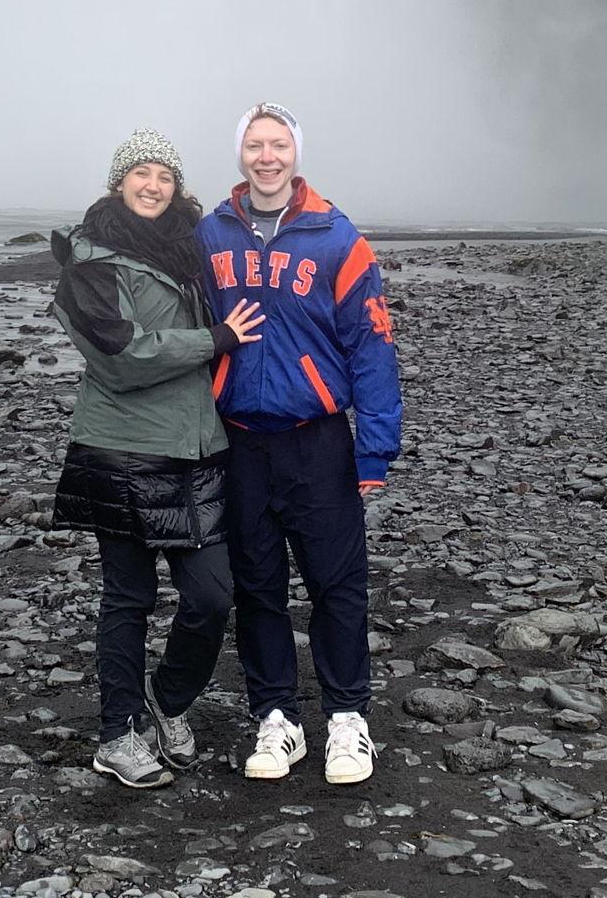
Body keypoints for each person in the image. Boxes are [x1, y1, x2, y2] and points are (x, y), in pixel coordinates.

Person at [50, 129, 265, 788]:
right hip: (123, 450)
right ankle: (117, 734)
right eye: (140, 173)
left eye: (164, 176)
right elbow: (120, 357)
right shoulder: (88, 262)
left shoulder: (190, 252)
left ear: (177, 186)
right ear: (119, 184)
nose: (153, 185)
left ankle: (166, 699)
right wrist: (215, 339)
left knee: (212, 596)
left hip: (197, 448)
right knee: (129, 599)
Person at [200, 103, 402, 786]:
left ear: (294, 154)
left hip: (317, 441)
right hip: (240, 441)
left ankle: (348, 720)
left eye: (277, 145)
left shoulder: (337, 239)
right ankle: (276, 719)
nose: (266, 157)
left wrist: (375, 449)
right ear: (240, 156)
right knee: (256, 585)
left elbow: (372, 346)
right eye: (254, 145)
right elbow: (186, 333)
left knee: (336, 585)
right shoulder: (209, 236)